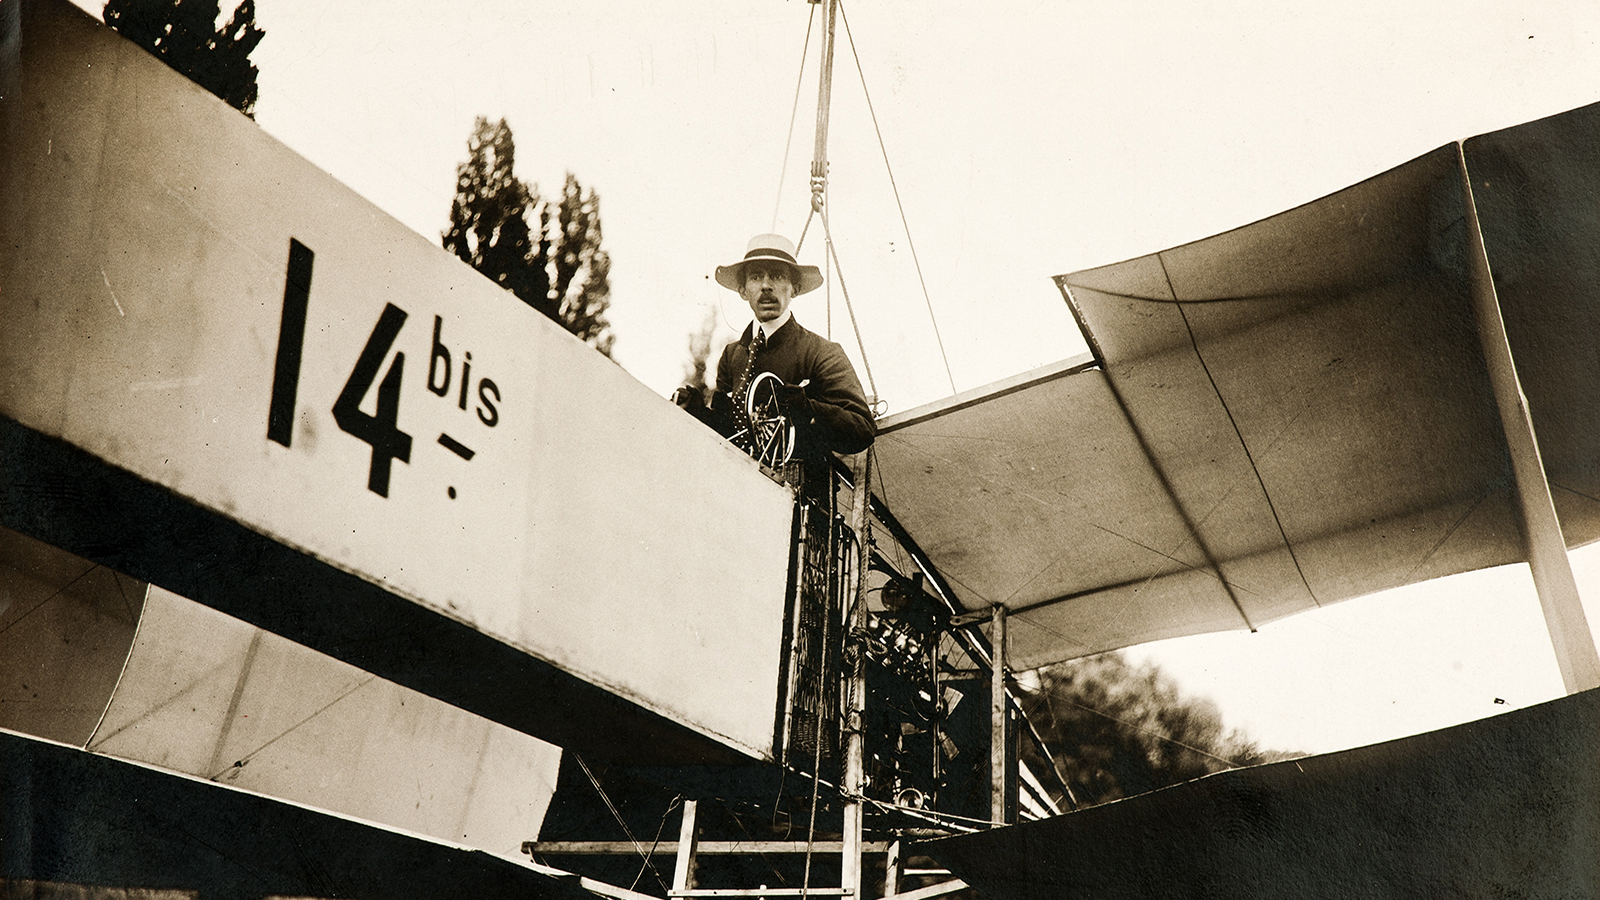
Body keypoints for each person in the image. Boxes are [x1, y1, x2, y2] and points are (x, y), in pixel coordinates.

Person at [677, 234, 874, 464]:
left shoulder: (821, 352)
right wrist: (699, 413)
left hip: (798, 485)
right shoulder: (732, 355)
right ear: (743, 291)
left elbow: (862, 429)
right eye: (756, 277)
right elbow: (728, 435)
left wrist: (808, 408)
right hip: (735, 480)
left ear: (794, 289)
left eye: (777, 276)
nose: (766, 286)